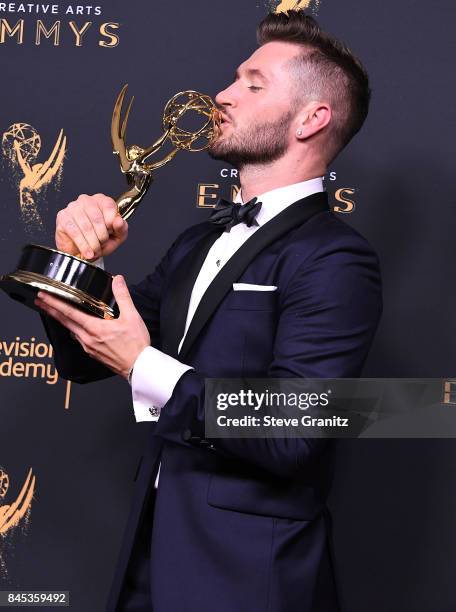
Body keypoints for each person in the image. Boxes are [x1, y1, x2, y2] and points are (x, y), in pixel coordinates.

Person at [36, 10, 382, 612]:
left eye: (252, 84)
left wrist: (143, 364)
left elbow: (294, 432)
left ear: (312, 118)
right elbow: (81, 357)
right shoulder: (197, 242)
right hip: (151, 556)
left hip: (250, 576)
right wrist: (73, 265)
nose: (221, 95)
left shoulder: (337, 258)